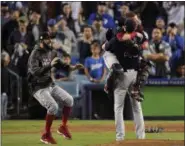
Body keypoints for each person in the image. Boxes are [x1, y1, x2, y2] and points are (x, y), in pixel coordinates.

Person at [27, 32, 74, 144]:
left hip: (50, 84)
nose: (51, 40)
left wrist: (71, 67)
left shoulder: (51, 51)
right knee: (53, 107)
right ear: (41, 41)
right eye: (48, 39)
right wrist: (50, 65)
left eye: (51, 38)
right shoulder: (35, 53)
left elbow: (58, 63)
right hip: (38, 87)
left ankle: (63, 127)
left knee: (69, 100)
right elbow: (35, 72)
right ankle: (46, 135)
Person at [104, 18, 145, 141]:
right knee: (137, 107)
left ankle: (120, 137)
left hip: (123, 75)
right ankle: (141, 137)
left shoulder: (117, 40)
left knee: (118, 107)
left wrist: (109, 38)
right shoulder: (138, 36)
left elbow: (105, 47)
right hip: (136, 75)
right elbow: (139, 36)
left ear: (125, 27)